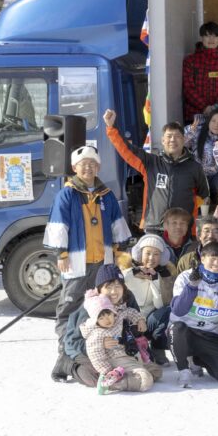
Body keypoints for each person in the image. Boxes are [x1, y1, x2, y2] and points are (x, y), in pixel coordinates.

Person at [46, 145, 131, 382]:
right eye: (83, 164)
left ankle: (97, 357)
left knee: (102, 309)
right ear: (75, 167)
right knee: (69, 312)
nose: (88, 167)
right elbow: (58, 226)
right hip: (76, 263)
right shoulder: (67, 194)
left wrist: (120, 250)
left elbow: (117, 223)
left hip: (102, 264)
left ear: (99, 167)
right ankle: (64, 361)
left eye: (93, 163)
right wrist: (61, 254)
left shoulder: (106, 194)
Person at [103, 108, 209, 231]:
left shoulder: (195, 167)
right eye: (169, 136)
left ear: (184, 140)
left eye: (177, 136)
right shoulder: (150, 162)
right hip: (154, 227)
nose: (173, 140)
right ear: (163, 141)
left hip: (183, 230)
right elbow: (126, 150)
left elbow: (202, 196)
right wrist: (111, 128)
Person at [169, 241, 218, 387]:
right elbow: (178, 310)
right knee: (176, 328)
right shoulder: (186, 277)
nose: (216, 263)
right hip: (184, 331)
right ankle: (184, 371)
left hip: (209, 334)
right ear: (202, 258)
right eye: (213, 258)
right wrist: (192, 286)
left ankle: (198, 359)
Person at [80, 291, 154, 393]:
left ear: (113, 312)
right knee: (146, 380)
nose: (107, 319)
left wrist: (140, 320)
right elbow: (96, 355)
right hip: (116, 360)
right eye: (101, 318)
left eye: (108, 314)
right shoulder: (97, 333)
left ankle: (126, 374)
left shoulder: (117, 318)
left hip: (131, 356)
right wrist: (107, 370)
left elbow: (129, 312)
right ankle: (114, 383)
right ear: (95, 321)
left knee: (156, 371)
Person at [123, 233, 175, 359]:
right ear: (140, 254)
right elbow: (117, 286)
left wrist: (154, 280)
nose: (151, 258)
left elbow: (159, 305)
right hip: (130, 320)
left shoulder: (162, 275)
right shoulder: (128, 272)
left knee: (169, 311)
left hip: (149, 321)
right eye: (148, 253)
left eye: (156, 254)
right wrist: (133, 273)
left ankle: (157, 347)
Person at [182, 21, 218, 123]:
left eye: (215, 36)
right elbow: (188, 89)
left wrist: (215, 106)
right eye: (207, 36)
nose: (211, 39)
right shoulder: (190, 61)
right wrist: (204, 107)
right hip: (195, 115)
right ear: (201, 38)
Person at [184, 107, 218, 204]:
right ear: (208, 121)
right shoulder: (198, 132)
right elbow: (182, 144)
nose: (216, 125)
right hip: (198, 174)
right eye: (213, 121)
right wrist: (190, 130)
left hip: (216, 176)